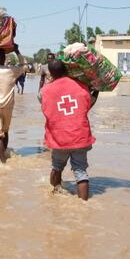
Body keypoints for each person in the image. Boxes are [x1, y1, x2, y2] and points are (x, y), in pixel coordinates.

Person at [40, 60, 98, 200]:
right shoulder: (81, 86)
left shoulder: (45, 91)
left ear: (51, 74)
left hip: (59, 138)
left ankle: (54, 195)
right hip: (80, 136)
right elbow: (89, 103)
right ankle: (84, 205)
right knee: (80, 172)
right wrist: (96, 90)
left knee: (57, 167)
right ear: (66, 70)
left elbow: (45, 104)